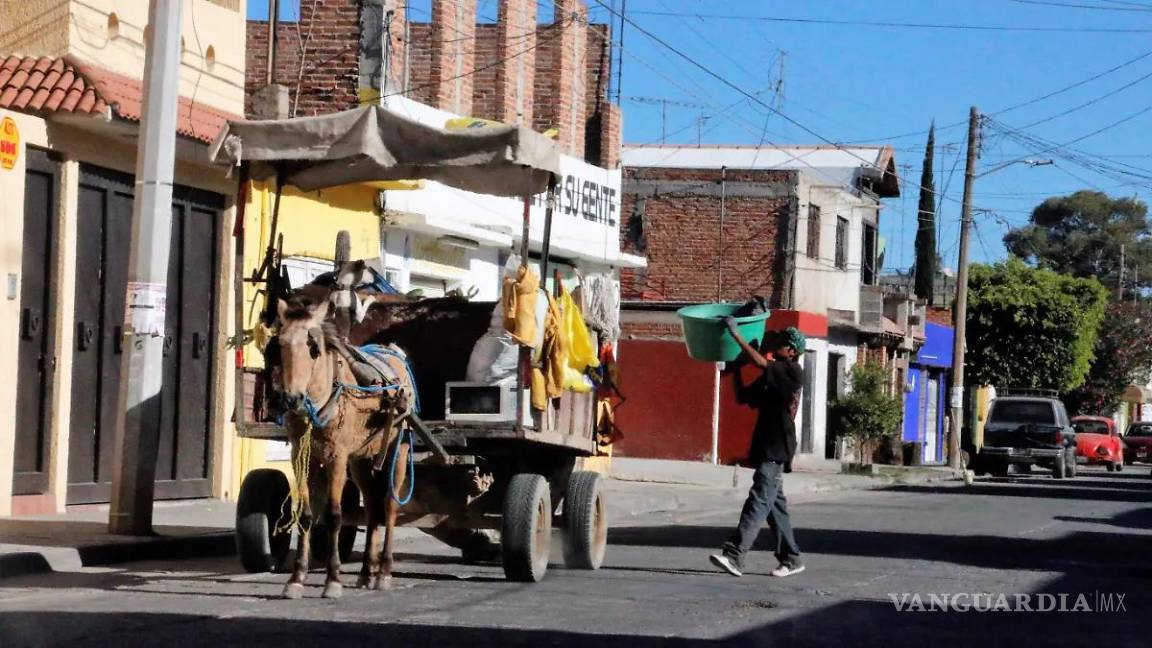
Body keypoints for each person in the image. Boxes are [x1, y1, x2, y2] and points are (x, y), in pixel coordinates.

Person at [709, 322, 806, 578]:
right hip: (766, 444)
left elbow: (761, 363)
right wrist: (734, 371)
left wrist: (736, 335)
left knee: (759, 500)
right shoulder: (773, 375)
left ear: (792, 351)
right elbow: (744, 397)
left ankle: (734, 555)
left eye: (782, 342)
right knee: (774, 506)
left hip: (777, 446)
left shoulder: (792, 371)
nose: (776, 344)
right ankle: (791, 559)